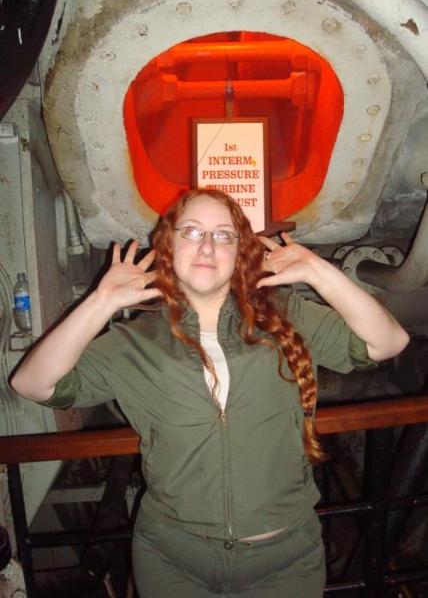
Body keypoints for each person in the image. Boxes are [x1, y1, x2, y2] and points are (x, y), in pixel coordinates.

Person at [10, 188, 409, 597]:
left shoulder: (286, 315)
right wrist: (101, 301)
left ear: (240, 252)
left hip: (285, 560)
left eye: (223, 235)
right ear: (167, 246)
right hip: (172, 561)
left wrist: (318, 272)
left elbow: (387, 342)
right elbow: (33, 383)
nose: (206, 246)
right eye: (191, 232)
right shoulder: (131, 342)